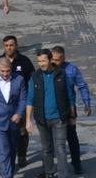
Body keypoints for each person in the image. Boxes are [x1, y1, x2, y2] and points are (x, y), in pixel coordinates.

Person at [25, 49, 77, 178]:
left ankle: (63, 175)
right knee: (46, 149)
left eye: (43, 61)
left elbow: (70, 94)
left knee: (60, 148)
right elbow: (30, 98)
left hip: (59, 118)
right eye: (39, 61)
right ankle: (49, 173)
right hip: (41, 119)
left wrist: (72, 115)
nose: (41, 64)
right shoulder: (35, 76)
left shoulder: (61, 74)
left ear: (50, 60)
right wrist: (28, 120)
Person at [0, 35, 35, 168]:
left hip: (21, 103)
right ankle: (9, 157)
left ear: (16, 45)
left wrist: (30, 100)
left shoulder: (24, 61)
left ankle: (21, 156)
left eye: (11, 45)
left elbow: (32, 81)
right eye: (6, 46)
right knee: (5, 133)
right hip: (3, 105)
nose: (9, 48)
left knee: (22, 132)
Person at [51, 46, 92, 175]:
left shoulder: (71, 69)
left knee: (71, 137)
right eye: (53, 59)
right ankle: (49, 168)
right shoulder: (47, 69)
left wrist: (87, 103)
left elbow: (82, 86)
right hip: (52, 109)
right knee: (51, 141)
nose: (54, 62)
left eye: (57, 60)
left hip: (69, 110)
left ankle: (76, 163)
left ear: (63, 58)